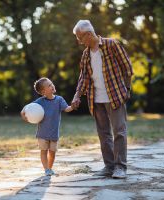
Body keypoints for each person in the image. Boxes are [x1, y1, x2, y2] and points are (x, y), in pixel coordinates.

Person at [71, 20, 133, 179]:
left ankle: (120, 167)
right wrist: (77, 96)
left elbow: (127, 67)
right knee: (103, 134)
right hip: (96, 99)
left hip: (114, 96)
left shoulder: (112, 45)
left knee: (119, 131)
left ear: (89, 34)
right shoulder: (86, 54)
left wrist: (127, 89)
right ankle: (109, 166)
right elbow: (83, 77)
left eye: (80, 37)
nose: (79, 41)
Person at [21, 77, 73, 176]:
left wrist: (73, 106)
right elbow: (28, 107)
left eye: (51, 83)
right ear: (43, 91)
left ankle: (49, 167)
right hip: (42, 133)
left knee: (52, 152)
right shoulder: (40, 101)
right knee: (43, 151)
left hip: (54, 133)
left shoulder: (59, 100)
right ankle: (46, 170)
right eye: (49, 85)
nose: (52, 86)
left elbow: (67, 109)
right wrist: (23, 113)